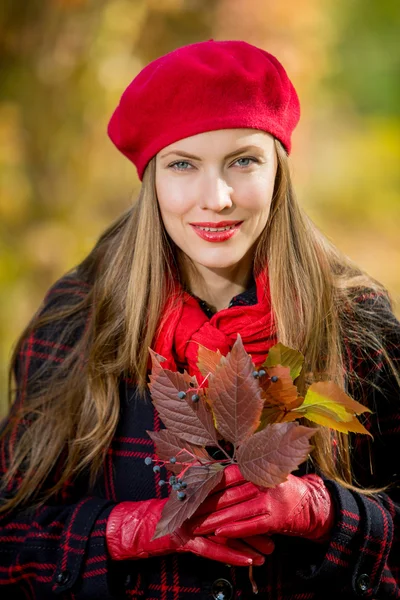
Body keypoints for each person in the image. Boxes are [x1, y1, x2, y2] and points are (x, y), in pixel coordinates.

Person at [0, 39, 399, 600]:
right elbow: (9, 540)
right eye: (182, 164)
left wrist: (321, 514)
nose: (216, 198)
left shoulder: (355, 321)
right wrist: (126, 532)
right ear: (152, 180)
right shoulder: (80, 320)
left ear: (278, 171)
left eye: (243, 160)